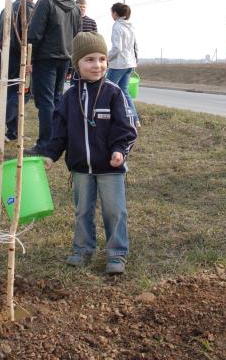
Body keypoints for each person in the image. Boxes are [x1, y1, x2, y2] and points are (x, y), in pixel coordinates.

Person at [39, 32, 137, 274]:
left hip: (110, 168)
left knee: (115, 210)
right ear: (77, 64)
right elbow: (58, 132)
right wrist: (51, 154)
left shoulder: (114, 93)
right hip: (81, 167)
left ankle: (117, 252)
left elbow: (126, 128)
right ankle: (82, 249)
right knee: (83, 210)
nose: (98, 65)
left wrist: (119, 151)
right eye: (90, 60)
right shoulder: (68, 98)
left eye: (102, 59)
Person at [24, 0, 81, 155]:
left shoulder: (46, 1)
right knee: (56, 99)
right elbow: (77, 35)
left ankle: (45, 144)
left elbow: (35, 33)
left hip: (45, 58)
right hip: (65, 57)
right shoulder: (75, 7)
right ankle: (56, 141)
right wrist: (73, 62)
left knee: (46, 101)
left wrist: (28, 56)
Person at [0, 0, 35, 141]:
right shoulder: (31, 10)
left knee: (11, 95)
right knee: (23, 94)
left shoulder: (5, 10)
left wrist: (3, 52)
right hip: (20, 60)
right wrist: (29, 58)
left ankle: (13, 132)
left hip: (4, 59)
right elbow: (31, 38)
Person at [107, 2, 141, 127]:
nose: (111, 15)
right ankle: (134, 119)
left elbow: (117, 48)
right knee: (124, 92)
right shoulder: (130, 26)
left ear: (115, 13)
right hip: (130, 63)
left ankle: (107, 118)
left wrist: (106, 58)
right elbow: (134, 45)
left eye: (112, 12)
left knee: (107, 89)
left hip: (119, 64)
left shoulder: (117, 26)